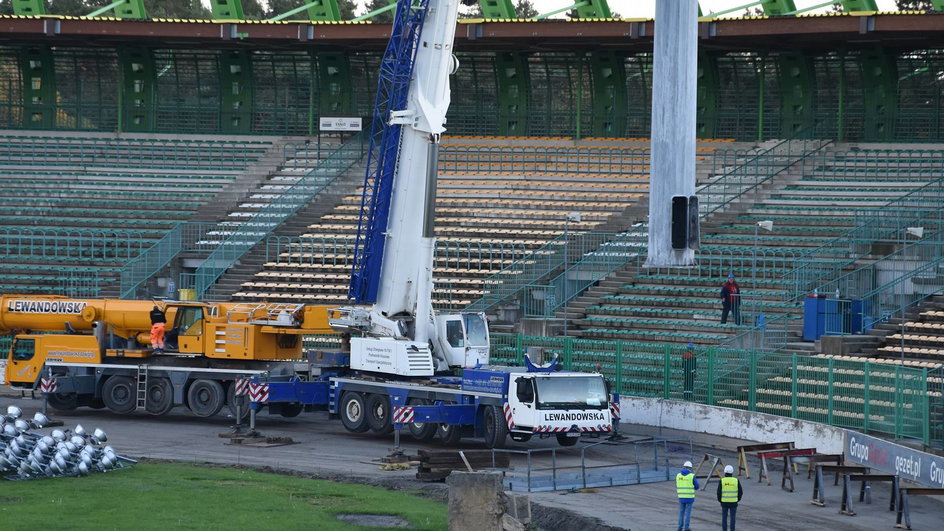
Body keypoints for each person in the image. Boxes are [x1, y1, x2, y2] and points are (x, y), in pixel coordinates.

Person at [716, 464, 743, 531]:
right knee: (733, 518)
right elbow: (740, 492)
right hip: (733, 502)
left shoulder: (722, 481)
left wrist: (720, 500)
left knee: (724, 518)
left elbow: (719, 492)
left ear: (725, 472)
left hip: (724, 502)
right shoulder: (736, 480)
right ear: (732, 472)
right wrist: (737, 499)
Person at [676, 460, 700, 531]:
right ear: (690, 468)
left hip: (681, 497)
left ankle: (679, 528)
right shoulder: (691, 476)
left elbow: (677, 484)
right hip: (689, 498)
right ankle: (686, 528)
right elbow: (697, 486)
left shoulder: (678, 475)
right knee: (687, 514)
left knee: (681, 513)